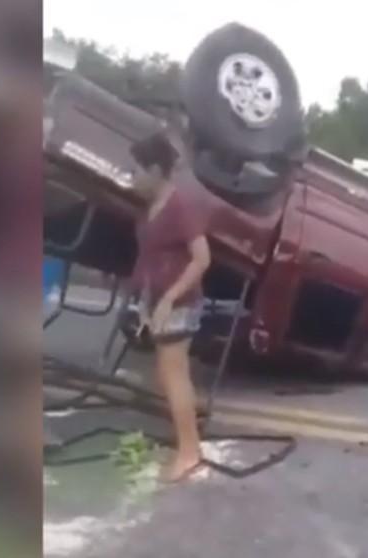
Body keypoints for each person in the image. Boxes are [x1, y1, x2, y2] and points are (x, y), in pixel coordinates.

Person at [128, 131, 211, 482]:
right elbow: (150, 258)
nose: (132, 177)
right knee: (167, 377)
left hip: (179, 302)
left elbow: (202, 259)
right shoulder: (153, 207)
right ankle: (192, 425)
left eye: (137, 170)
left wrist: (168, 298)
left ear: (156, 169)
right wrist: (146, 301)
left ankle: (190, 453)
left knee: (173, 376)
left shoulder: (180, 206)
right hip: (158, 300)